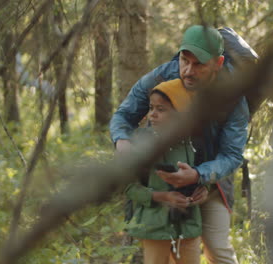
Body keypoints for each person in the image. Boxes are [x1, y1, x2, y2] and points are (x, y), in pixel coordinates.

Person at [110, 25, 249, 264]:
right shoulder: (162, 76)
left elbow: (232, 155)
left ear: (218, 63)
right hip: (163, 184)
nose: (188, 71)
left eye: (199, 65)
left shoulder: (233, 95)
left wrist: (198, 175)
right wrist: (122, 141)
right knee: (163, 252)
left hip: (211, 183)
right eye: (185, 61)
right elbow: (123, 115)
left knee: (218, 251)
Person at [125, 79, 206, 264]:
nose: (152, 115)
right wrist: (163, 196)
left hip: (189, 225)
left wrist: (204, 189)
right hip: (155, 227)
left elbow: (204, 174)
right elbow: (129, 188)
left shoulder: (194, 142)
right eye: (151, 108)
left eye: (161, 110)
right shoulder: (141, 144)